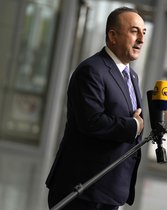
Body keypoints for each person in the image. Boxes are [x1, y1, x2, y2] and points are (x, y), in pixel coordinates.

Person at [45, 7, 145, 210]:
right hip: (83, 189)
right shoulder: (92, 70)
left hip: (111, 189)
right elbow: (92, 122)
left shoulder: (131, 76)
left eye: (144, 32)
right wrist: (133, 125)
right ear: (113, 36)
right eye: (135, 31)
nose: (141, 39)